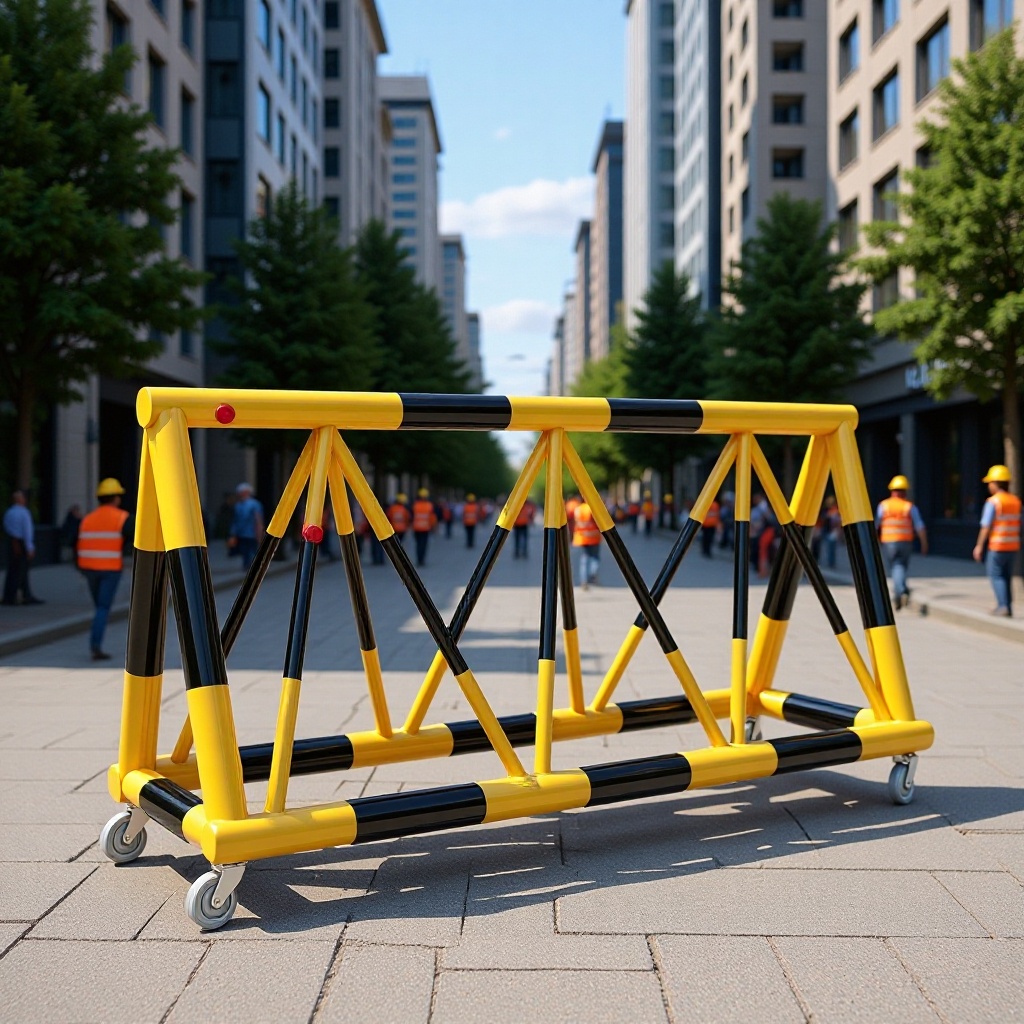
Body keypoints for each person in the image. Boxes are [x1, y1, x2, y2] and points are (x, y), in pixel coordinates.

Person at [78, 478, 132, 659]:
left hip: (89, 569)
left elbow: (76, 543)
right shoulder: (122, 517)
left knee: (99, 607)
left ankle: (96, 640)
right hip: (110, 569)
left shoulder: (88, 519)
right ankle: (95, 645)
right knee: (103, 607)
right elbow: (133, 541)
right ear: (116, 498)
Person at [973, 464, 1020, 617]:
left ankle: (1003, 606)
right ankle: (1007, 606)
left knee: (996, 575)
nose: (989, 486)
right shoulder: (1015, 501)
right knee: (1006, 576)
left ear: (995, 483)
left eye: (990, 483)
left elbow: (986, 526)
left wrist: (979, 546)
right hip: (1013, 545)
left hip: (998, 545)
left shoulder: (993, 502)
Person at [876, 474, 928, 610]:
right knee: (901, 566)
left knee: (896, 566)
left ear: (892, 490)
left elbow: (876, 524)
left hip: (889, 542)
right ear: (905, 491)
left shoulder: (884, 505)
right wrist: (924, 543)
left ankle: (899, 592)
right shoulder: (909, 507)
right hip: (905, 542)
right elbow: (919, 526)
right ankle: (902, 589)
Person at [2, 490, 43, 605]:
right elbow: (27, 531)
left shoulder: (9, 512)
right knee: (22, 569)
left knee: (13, 569)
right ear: (21, 500)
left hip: (12, 542)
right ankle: (21, 595)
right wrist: (30, 547)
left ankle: (11, 595)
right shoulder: (24, 513)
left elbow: (6, 526)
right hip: (21, 543)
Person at [229, 483, 264, 571]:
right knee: (245, 550)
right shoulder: (238, 505)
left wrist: (259, 533)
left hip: (251, 533)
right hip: (242, 532)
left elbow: (258, 519)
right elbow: (235, 520)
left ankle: (251, 566)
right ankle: (248, 565)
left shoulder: (254, 504)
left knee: (251, 550)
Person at [572, 500, 602, 589]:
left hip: (582, 536)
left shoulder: (578, 509)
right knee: (595, 557)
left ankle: (584, 580)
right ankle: (592, 573)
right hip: (594, 536)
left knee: (584, 558)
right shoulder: (593, 508)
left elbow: (575, 521)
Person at [411, 488, 437, 567]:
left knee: (418, 544)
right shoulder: (429, 506)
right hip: (425, 528)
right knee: (424, 545)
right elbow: (432, 517)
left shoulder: (415, 505)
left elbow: (411, 516)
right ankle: (422, 560)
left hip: (417, 528)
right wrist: (433, 527)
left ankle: (419, 559)